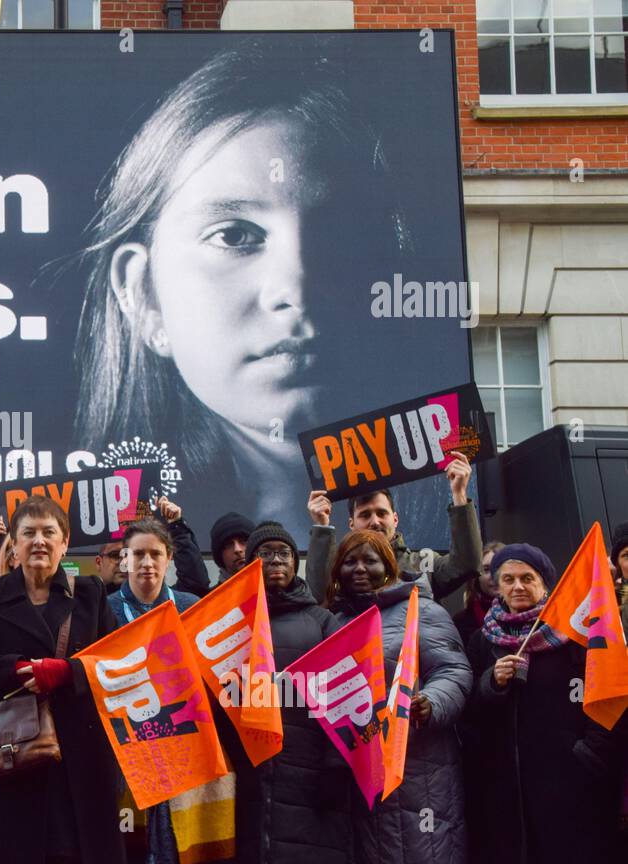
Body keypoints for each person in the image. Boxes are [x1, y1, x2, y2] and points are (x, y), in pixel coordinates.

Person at [73, 37, 448, 542]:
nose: (296, 286)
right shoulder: (97, 528)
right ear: (143, 295)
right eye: (234, 235)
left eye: (340, 233)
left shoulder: (449, 492)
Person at [0, 495, 126, 864]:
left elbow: (117, 664)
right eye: (28, 532)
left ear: (65, 543)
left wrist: (68, 673)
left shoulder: (91, 593)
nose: (39, 541)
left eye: (49, 532)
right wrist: (11, 669)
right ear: (13, 543)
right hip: (11, 757)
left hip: (78, 762)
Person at [462, 544, 624, 864]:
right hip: (510, 785)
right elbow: (470, 712)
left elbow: (606, 688)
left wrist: (589, 753)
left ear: (545, 584)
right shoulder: (483, 640)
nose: (517, 586)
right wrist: (492, 683)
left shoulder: (575, 631)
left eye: (527, 578)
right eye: (507, 579)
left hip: (571, 778)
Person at [324, 530, 471, 864]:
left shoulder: (422, 610)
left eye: (369, 560)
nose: (359, 569)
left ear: (387, 565)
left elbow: (454, 672)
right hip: (361, 771)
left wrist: (429, 703)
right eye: (349, 562)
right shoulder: (334, 621)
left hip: (420, 770)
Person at [233, 521, 348, 864]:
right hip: (247, 770)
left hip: (308, 771)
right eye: (265, 554)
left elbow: (343, 696)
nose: (276, 561)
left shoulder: (321, 621)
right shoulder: (230, 621)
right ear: (250, 563)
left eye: (284, 553)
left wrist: (336, 765)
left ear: (296, 563)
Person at [105, 517, 201, 864]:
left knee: (178, 841)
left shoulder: (190, 607)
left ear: (169, 557)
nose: (147, 563)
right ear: (125, 559)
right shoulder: (106, 610)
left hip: (181, 739)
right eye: (138, 554)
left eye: (155, 554)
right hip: (127, 743)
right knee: (130, 840)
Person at [305, 455, 483, 604]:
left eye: (382, 513)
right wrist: (322, 525)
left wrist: (459, 494)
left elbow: (467, 565)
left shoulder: (423, 564)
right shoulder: (341, 568)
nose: (375, 522)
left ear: (395, 519)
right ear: (351, 524)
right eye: (365, 515)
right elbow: (318, 594)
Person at [453, 539, 504, 641]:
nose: (494, 576)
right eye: (486, 569)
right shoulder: (461, 622)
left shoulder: (531, 615)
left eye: (500, 568)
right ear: (476, 577)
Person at [209, 512, 254, 586]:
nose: (237, 549)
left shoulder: (276, 591)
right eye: (228, 545)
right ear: (220, 556)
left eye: (243, 541)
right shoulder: (212, 597)